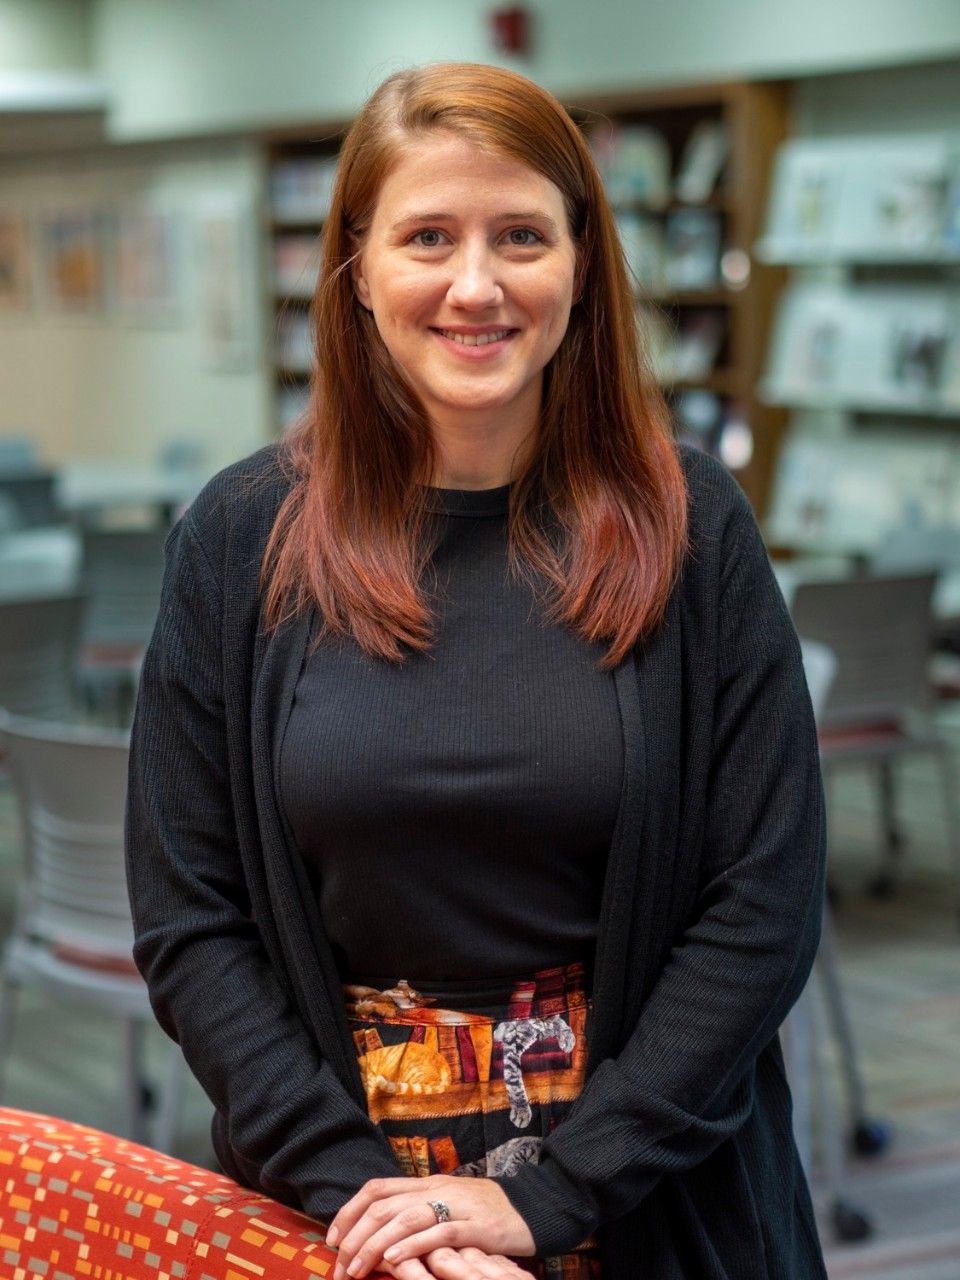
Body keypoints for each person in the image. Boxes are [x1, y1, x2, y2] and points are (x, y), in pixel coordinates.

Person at [126, 62, 827, 1280]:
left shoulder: (693, 524)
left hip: (651, 1185)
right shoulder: (240, 539)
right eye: (427, 237)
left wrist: (554, 1196)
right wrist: (371, 1202)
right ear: (355, 268)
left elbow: (762, 904)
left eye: (519, 235)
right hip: (339, 1204)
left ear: (581, 262)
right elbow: (192, 915)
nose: (475, 284)